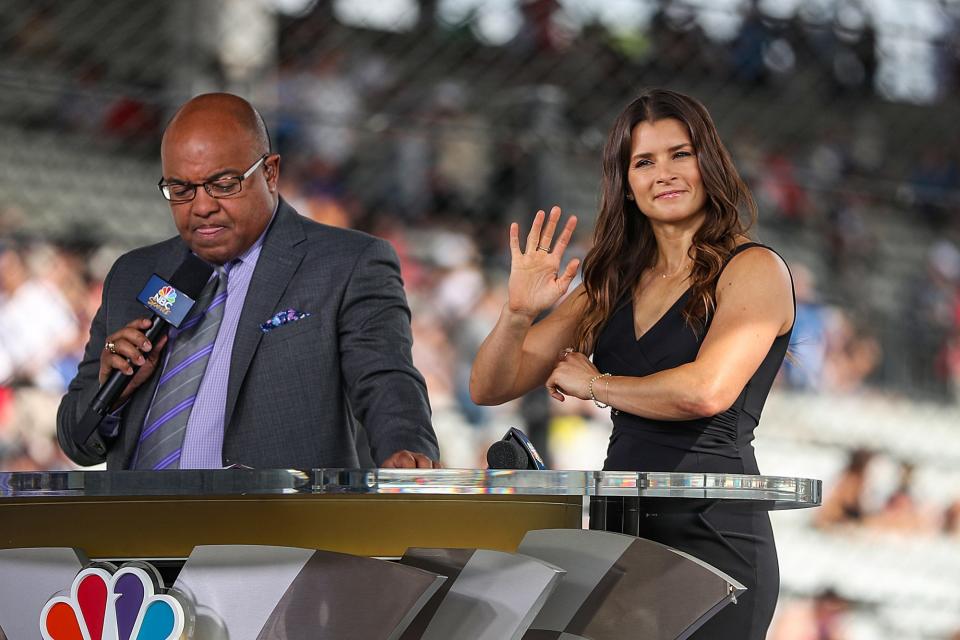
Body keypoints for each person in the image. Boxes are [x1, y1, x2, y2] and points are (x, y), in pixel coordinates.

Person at [470, 88, 795, 639]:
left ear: (708, 162)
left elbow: (705, 391)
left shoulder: (754, 267)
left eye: (680, 154)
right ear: (625, 183)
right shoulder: (612, 278)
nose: (663, 173)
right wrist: (518, 313)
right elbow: (490, 384)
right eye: (643, 162)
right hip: (620, 531)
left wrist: (596, 383)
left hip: (715, 535)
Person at [57, 93, 440, 470]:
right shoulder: (135, 274)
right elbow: (78, 442)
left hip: (274, 526)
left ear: (270, 172)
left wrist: (405, 450)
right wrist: (116, 394)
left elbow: (385, 378)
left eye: (223, 184)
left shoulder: (346, 264)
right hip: (140, 527)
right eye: (181, 190)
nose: (202, 206)